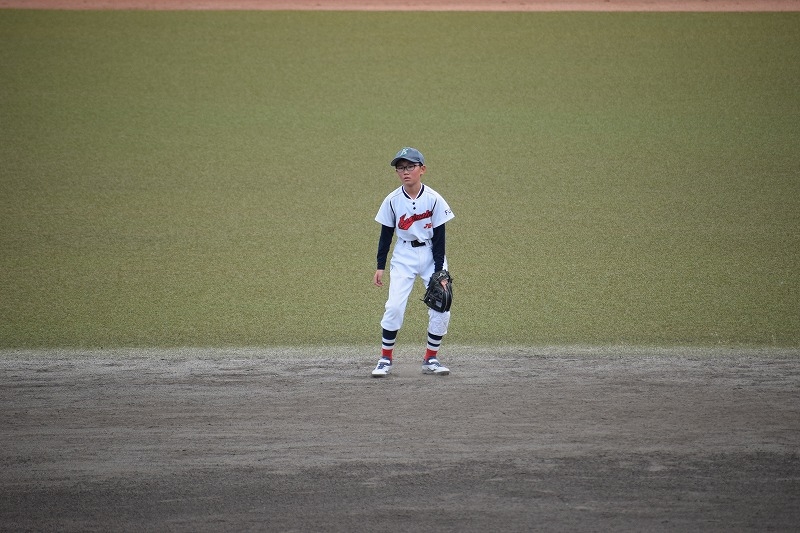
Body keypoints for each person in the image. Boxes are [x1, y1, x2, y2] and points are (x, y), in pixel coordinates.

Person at [371, 147, 455, 377]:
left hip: (431, 254)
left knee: (442, 305)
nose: (405, 171)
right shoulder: (392, 200)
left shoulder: (434, 199)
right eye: (401, 168)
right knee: (394, 306)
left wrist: (439, 271)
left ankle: (431, 358)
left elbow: (439, 237)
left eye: (410, 167)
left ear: (422, 169)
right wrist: (380, 266)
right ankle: (385, 358)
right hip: (403, 255)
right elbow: (385, 235)